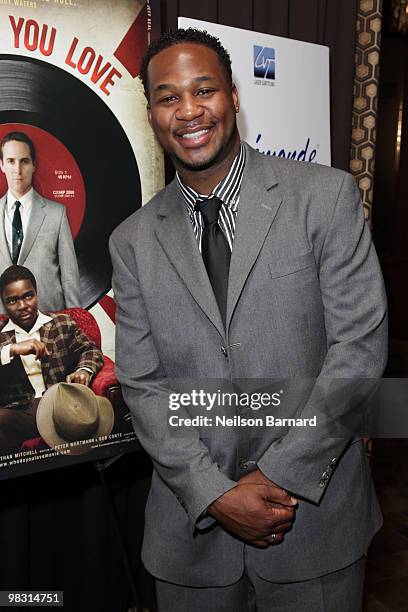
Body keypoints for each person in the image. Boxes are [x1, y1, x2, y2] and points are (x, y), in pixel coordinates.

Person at [109, 28, 388, 611]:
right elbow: (142, 384)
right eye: (168, 96)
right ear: (153, 112)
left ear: (234, 96)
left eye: (203, 89)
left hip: (314, 526)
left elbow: (358, 351)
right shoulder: (131, 240)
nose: (189, 111)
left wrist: (277, 476)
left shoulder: (325, 197)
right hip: (190, 539)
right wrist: (214, 494)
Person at [0, 265, 103, 453]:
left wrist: (83, 370)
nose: (23, 306)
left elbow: (91, 350)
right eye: (13, 300)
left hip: (60, 405)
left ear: (37, 294)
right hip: (19, 413)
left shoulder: (62, 323)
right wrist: (11, 350)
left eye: (28, 296)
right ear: (4, 303)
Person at [0, 131, 80, 314]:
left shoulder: (56, 213)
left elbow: (69, 276)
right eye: (11, 161)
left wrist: (76, 322)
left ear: (34, 165)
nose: (17, 170)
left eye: (24, 161)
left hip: (48, 320)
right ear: (2, 165)